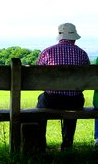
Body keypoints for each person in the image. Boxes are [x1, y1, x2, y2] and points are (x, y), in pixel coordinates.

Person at [36, 23, 90, 151]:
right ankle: (67, 144)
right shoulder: (82, 54)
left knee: (40, 104)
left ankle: (40, 144)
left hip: (51, 100)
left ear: (60, 36)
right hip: (74, 101)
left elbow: (38, 76)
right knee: (75, 103)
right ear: (74, 38)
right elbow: (87, 78)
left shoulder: (47, 52)